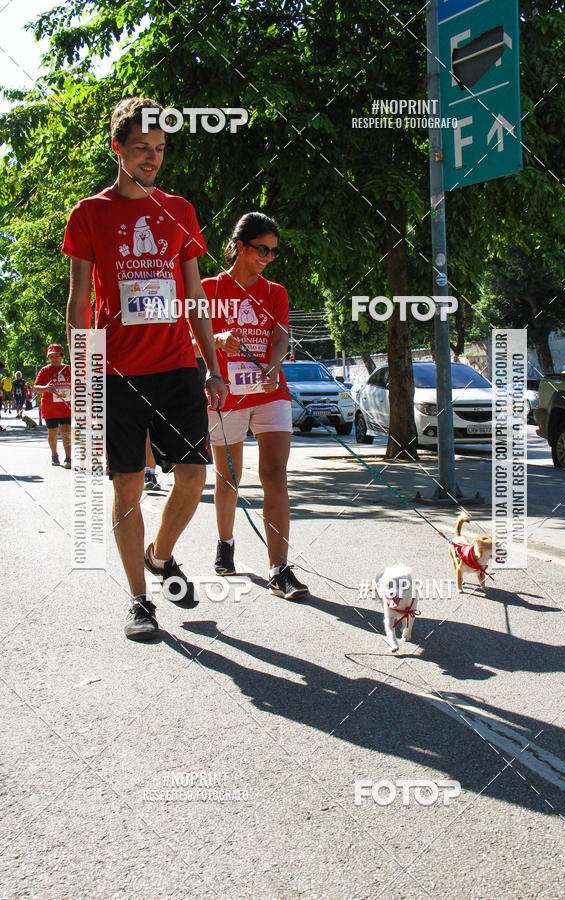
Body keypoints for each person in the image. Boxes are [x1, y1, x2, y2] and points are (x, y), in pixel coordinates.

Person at [63, 96, 227, 642]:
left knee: (194, 476)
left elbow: (196, 291)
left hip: (178, 363)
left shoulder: (178, 209)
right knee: (128, 484)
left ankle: (162, 555)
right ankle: (139, 600)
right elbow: (80, 298)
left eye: (159, 149)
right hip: (118, 372)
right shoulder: (90, 213)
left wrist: (212, 362)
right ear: (117, 148)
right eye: (141, 149)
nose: (152, 159)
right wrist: (84, 372)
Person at [203, 211, 308, 600]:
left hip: (270, 392)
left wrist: (273, 362)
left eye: (273, 252)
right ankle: (225, 542)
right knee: (228, 477)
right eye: (261, 249)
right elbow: (191, 338)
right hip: (225, 395)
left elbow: (281, 337)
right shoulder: (209, 288)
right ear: (241, 246)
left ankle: (279, 569)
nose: (267, 257)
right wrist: (216, 337)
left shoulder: (274, 292)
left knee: (275, 473)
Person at [33, 344, 72, 467]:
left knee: (66, 432)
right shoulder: (45, 370)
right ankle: (54, 455)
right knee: (52, 433)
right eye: (51, 357)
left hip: (65, 407)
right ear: (48, 357)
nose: (54, 359)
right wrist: (45, 388)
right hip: (50, 408)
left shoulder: (69, 369)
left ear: (62, 356)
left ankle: (68, 458)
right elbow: (36, 388)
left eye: (57, 356)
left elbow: (79, 383)